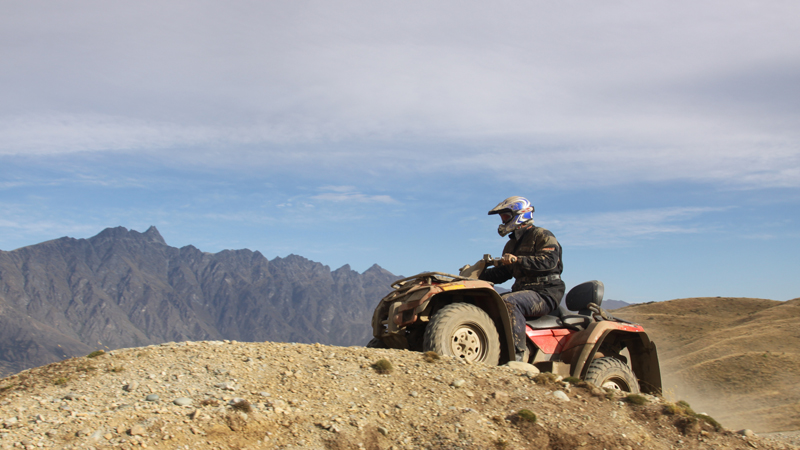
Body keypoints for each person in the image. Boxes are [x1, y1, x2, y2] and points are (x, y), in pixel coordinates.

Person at [479, 196, 565, 361]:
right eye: (502, 218)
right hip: (524, 291)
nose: (503, 221)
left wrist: (518, 259)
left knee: (510, 302)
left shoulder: (542, 235)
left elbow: (549, 262)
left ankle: (517, 356)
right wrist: (478, 275)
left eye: (505, 216)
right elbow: (503, 273)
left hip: (545, 293)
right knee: (492, 301)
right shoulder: (511, 244)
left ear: (519, 214)